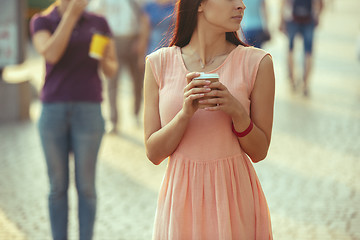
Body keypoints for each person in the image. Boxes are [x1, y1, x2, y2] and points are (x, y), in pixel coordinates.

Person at [143, 0, 275, 239]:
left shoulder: (258, 63)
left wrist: (237, 112)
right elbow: (154, 153)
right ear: (200, 4)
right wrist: (184, 115)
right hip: (180, 204)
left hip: (235, 200)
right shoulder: (158, 63)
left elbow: (259, 151)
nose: (242, 6)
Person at [30, 0, 118, 239]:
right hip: (53, 110)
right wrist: (70, 16)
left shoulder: (99, 23)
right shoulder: (42, 21)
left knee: (87, 187)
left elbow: (112, 69)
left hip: (89, 111)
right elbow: (51, 54)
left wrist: (103, 59)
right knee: (57, 187)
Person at [88, 0, 145, 132]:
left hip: (133, 39)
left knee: (137, 81)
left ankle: (136, 113)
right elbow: (92, 12)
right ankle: (113, 120)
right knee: (112, 82)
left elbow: (143, 17)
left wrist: (141, 40)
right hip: (113, 39)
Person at [279, 0, 323, 96]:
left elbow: (283, 2)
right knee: (308, 52)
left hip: (291, 18)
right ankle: (306, 84)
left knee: (290, 49)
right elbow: (320, 3)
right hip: (309, 19)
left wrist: (281, 20)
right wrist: (318, 16)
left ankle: (292, 80)